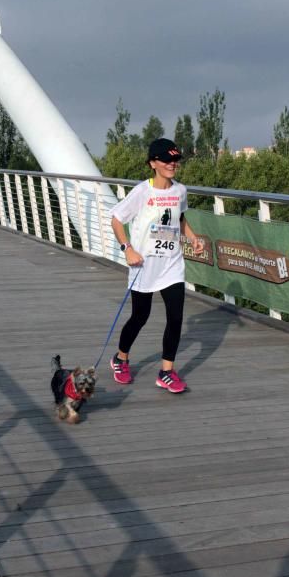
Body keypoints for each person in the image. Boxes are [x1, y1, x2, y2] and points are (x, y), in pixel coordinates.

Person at [109, 138, 204, 393]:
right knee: (141, 316)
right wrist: (127, 249)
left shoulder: (180, 191)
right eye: (166, 160)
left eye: (176, 160)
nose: (173, 164)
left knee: (175, 318)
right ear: (153, 163)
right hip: (144, 264)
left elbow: (179, 218)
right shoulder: (143, 191)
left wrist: (193, 239)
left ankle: (167, 372)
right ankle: (120, 358)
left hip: (172, 264)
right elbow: (117, 220)